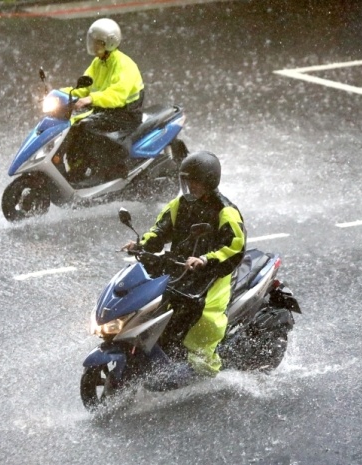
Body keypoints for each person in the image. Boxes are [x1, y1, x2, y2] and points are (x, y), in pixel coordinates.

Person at [122, 151, 246, 390]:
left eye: (195, 181)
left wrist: (205, 260)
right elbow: (159, 230)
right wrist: (141, 245)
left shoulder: (225, 211)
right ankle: (162, 352)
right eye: (187, 181)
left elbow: (234, 247)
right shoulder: (179, 204)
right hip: (178, 269)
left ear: (209, 182)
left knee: (203, 318)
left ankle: (204, 365)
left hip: (211, 277)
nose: (190, 186)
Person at [62, 18, 145, 184]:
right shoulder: (98, 63)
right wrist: (61, 94)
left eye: (98, 43)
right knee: (73, 128)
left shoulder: (124, 65)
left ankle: (104, 173)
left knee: (88, 128)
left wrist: (90, 99)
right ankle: (78, 170)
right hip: (107, 111)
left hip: (125, 114)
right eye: (92, 42)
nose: (93, 46)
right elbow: (85, 86)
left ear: (110, 43)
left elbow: (116, 95)